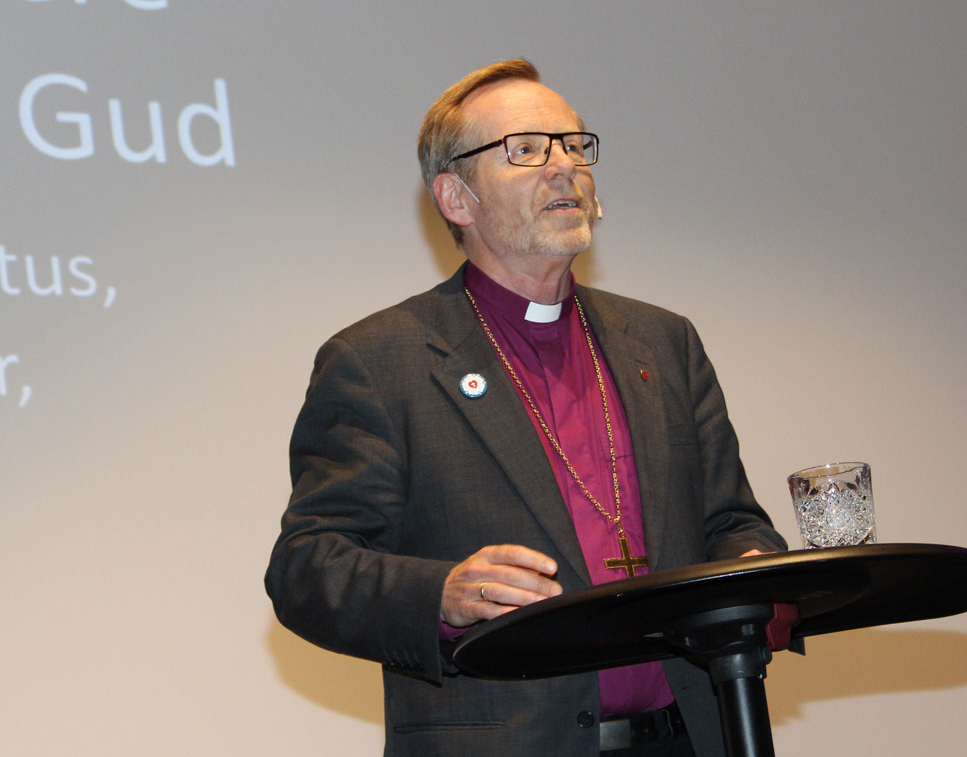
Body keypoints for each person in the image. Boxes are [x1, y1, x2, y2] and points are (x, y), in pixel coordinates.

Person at [265, 59, 786, 756]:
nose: (564, 167)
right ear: (456, 197)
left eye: (574, 145)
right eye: (527, 149)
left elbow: (730, 520)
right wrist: (441, 593)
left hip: (690, 737)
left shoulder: (663, 341)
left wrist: (760, 569)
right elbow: (308, 566)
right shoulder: (381, 361)